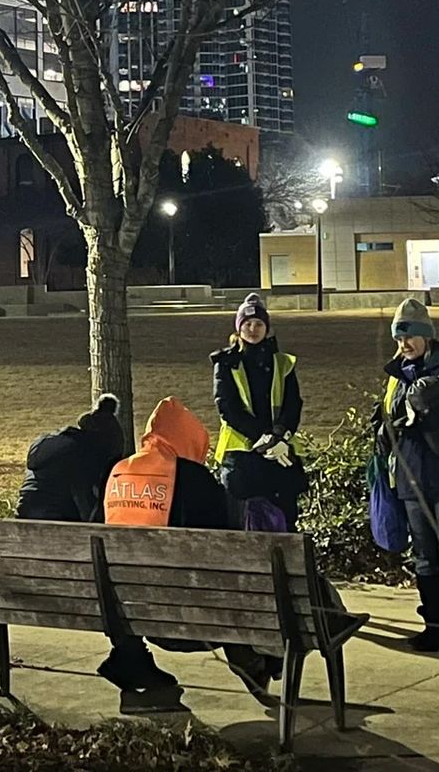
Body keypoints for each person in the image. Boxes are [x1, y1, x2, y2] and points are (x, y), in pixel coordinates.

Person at [103, 396, 279, 698]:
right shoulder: (194, 478)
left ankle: (130, 659)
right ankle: (249, 660)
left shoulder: (118, 471)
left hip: (129, 612)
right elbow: (223, 546)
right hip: (195, 617)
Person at [377, 297, 439, 654]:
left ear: (428, 336)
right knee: (424, 557)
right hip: (410, 477)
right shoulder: (397, 373)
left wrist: (426, 412)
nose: (405, 344)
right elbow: (388, 417)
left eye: (411, 337)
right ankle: (432, 626)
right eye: (400, 338)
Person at [211, 294, 307, 529]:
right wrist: (264, 437)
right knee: (245, 524)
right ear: (239, 327)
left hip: (278, 452)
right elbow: (227, 407)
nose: (253, 329)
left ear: (267, 328)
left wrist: (281, 435)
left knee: (285, 520)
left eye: (259, 324)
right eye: (247, 324)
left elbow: (293, 403)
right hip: (242, 456)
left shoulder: (283, 362)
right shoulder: (225, 363)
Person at [17, 394, 124, 523]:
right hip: (59, 522)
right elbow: (84, 499)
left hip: (24, 516)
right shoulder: (86, 456)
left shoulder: (55, 445)